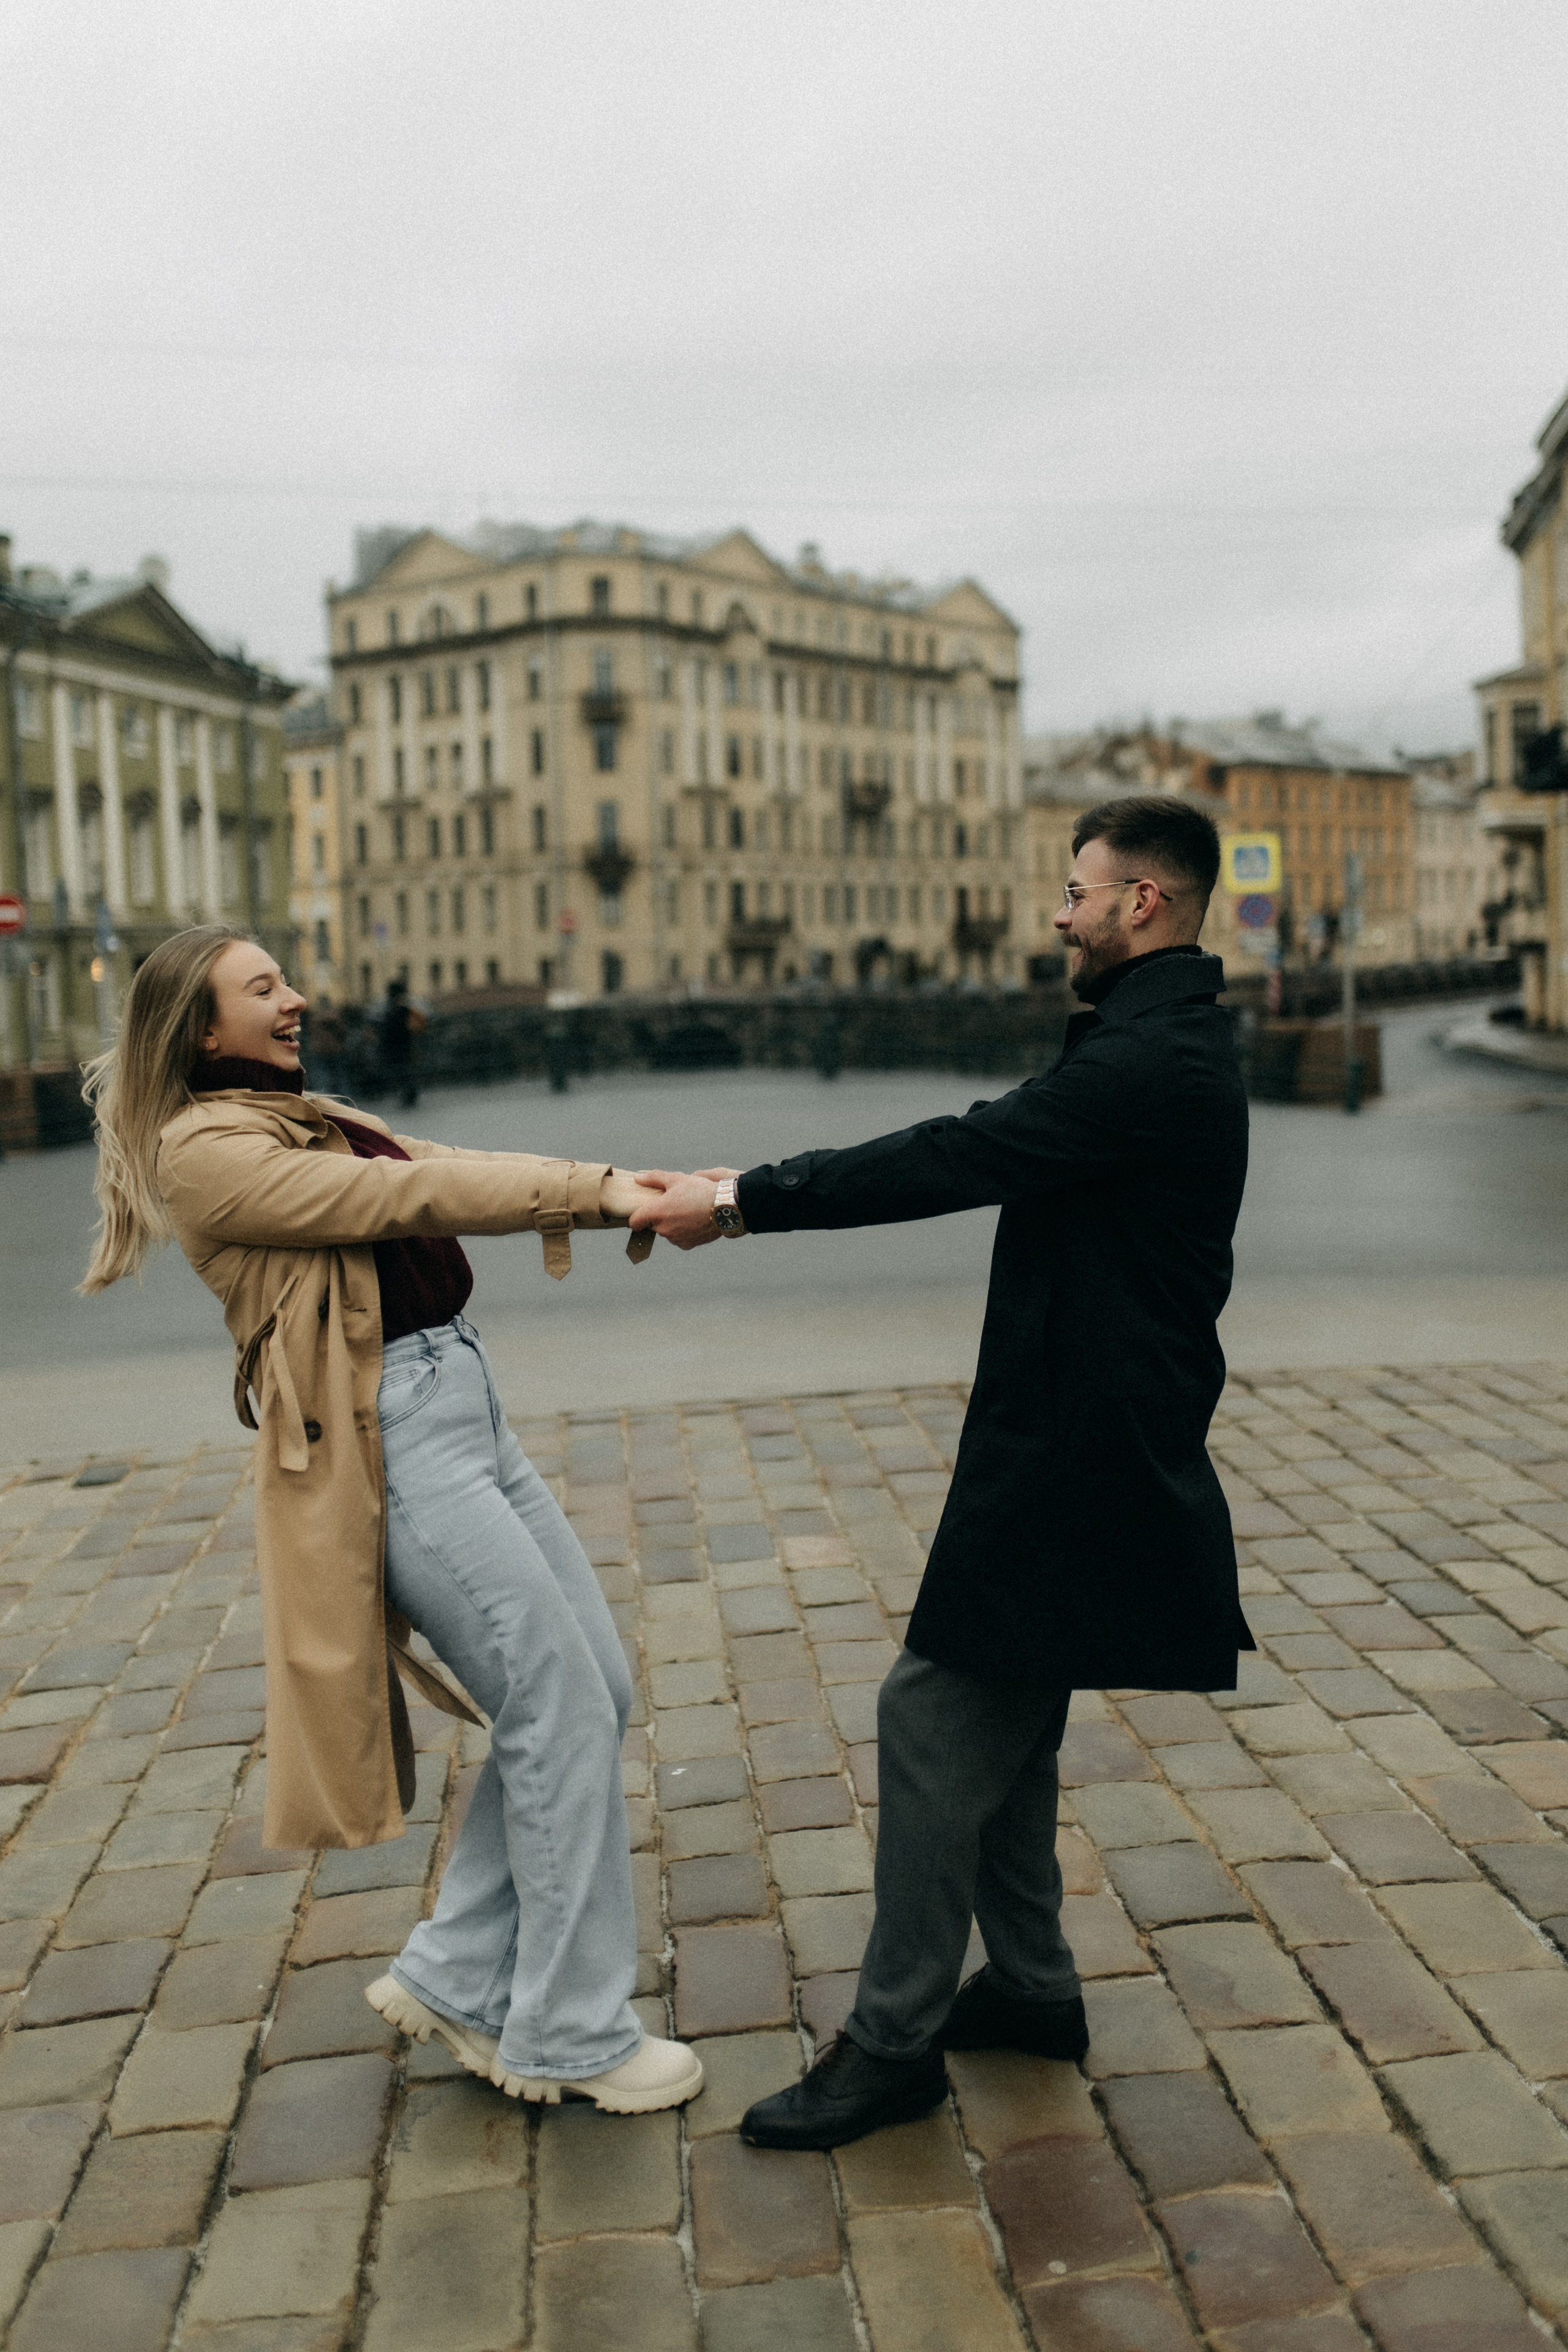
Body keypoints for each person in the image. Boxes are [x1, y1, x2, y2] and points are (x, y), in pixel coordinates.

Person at [631, 797, 1252, 2150]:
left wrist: (739, 1197)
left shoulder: (1147, 1064)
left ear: (1140, 904)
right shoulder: (1164, 1038)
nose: (1059, 911)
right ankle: (1029, 1989)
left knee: (930, 1718)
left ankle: (893, 2043)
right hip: (1072, 1430)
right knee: (1007, 1728)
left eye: (1078, 891)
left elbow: (955, 1153)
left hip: (1079, 1454)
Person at [80, 924, 701, 2117]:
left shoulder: (297, 1114)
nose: (296, 999)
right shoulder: (206, 1150)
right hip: (391, 1439)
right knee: (556, 1702)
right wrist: (599, 1190)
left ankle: (461, 1973)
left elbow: (432, 1152)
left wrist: (612, 1176)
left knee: (593, 1689)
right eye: (264, 988)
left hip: (460, 1408)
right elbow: (408, 1192)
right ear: (205, 1030)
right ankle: (566, 2034)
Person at [380, 975, 422, 1107]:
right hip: (406, 1045)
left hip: (395, 1046)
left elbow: (388, 1030)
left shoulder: (391, 1010)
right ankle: (409, 1095)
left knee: (400, 1072)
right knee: (407, 1071)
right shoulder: (407, 1008)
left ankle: (407, 1095)